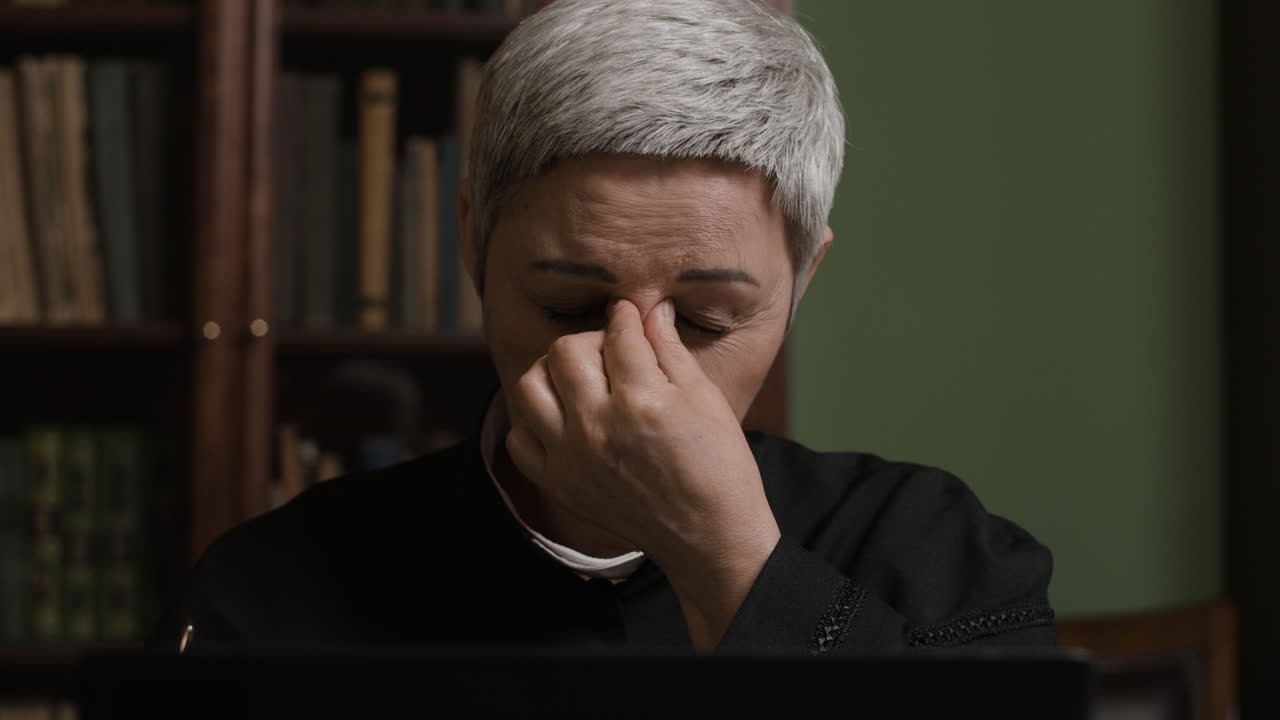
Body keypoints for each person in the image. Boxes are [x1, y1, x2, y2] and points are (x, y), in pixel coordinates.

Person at [172, 0, 1055, 654]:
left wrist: (727, 561)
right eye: (571, 306)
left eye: (706, 319)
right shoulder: (275, 586)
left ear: (802, 281)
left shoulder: (932, 552)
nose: (633, 368)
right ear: (473, 242)